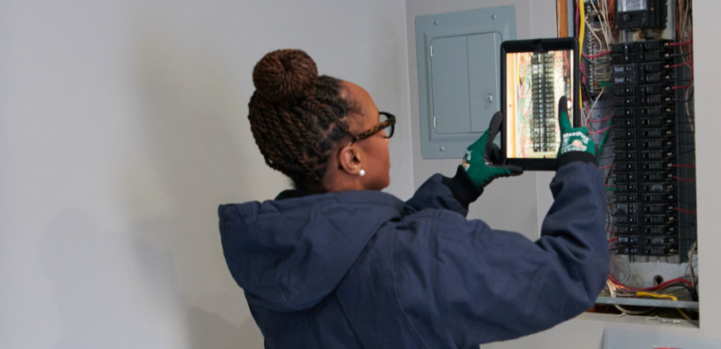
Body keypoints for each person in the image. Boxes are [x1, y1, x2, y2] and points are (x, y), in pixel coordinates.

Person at [218, 49, 608, 349]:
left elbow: (369, 263)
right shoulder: (421, 254)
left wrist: (459, 188)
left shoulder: (271, 252)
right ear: (352, 157)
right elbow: (570, 272)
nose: (386, 137)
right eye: (380, 125)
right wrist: (578, 166)